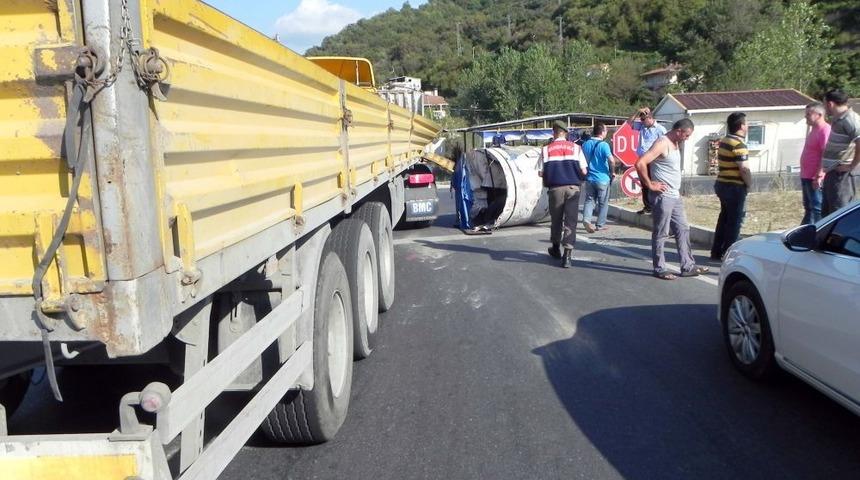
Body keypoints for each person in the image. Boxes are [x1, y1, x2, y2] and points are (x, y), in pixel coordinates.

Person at [635, 118, 709, 280]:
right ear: (679, 131)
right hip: (663, 196)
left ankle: (687, 265)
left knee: (683, 228)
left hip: (674, 196)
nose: (687, 138)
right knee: (662, 232)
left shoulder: (676, 144)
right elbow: (640, 163)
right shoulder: (662, 143)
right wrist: (650, 184)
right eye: (686, 135)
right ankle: (660, 268)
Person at [539, 120, 588, 268]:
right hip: (573, 188)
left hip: (555, 189)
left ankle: (555, 248)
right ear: (566, 133)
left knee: (556, 219)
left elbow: (541, 172)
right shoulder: (576, 148)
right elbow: (584, 171)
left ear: (553, 132)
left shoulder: (546, 149)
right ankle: (567, 255)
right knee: (571, 221)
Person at [710, 112, 752, 260]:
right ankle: (729, 253)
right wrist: (749, 184)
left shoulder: (724, 141)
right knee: (734, 222)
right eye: (746, 124)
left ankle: (716, 251)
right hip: (734, 186)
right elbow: (744, 169)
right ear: (741, 126)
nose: (747, 126)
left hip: (722, 183)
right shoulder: (739, 145)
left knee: (724, 219)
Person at [821, 89, 860, 216]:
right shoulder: (838, 119)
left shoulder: (850, 119)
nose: (824, 107)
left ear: (830, 104)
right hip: (833, 172)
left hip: (842, 175)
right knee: (828, 214)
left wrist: (851, 166)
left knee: (839, 213)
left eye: (824, 103)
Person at [628, 106, 667, 214]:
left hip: (653, 160)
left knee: (654, 182)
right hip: (642, 159)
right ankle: (648, 207)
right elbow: (629, 123)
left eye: (643, 119)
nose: (641, 121)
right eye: (641, 120)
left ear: (650, 118)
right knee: (644, 183)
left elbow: (665, 144)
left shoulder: (660, 129)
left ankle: (657, 206)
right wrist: (637, 111)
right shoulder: (641, 126)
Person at [799, 102, 831, 224]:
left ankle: (819, 233)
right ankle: (805, 233)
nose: (806, 116)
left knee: (817, 208)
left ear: (819, 114)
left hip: (814, 176)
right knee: (809, 208)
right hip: (806, 175)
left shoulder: (825, 130)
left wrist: (819, 174)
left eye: (808, 114)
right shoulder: (814, 130)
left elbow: (825, 152)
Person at [581, 122, 615, 233]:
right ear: (602, 132)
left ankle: (586, 219)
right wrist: (612, 171)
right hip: (603, 178)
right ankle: (600, 225)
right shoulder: (604, 145)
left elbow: (583, 160)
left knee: (589, 200)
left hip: (589, 178)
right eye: (606, 131)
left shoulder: (586, 144)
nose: (606, 133)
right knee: (603, 203)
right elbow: (611, 160)